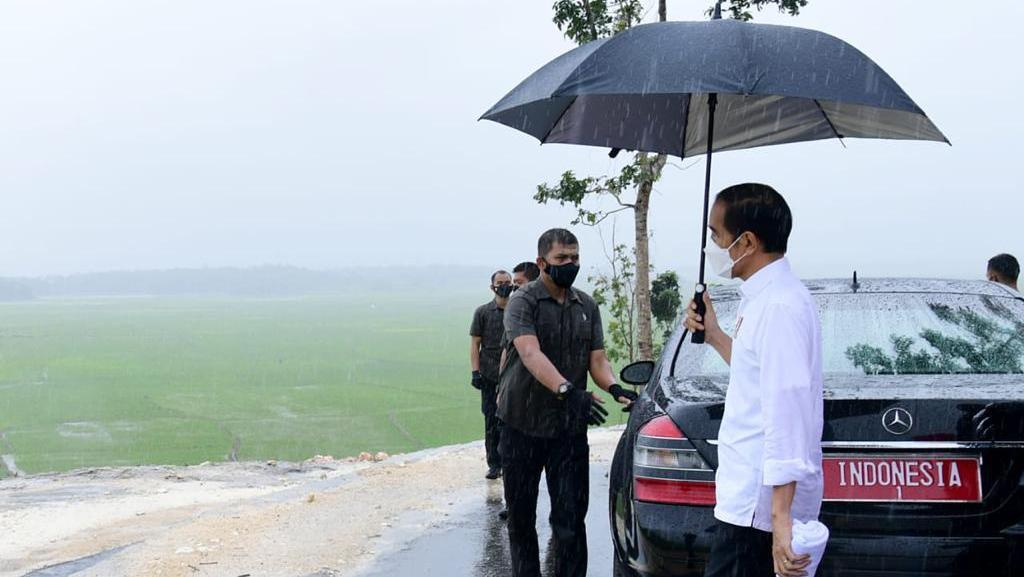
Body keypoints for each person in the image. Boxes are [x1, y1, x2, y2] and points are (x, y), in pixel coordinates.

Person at [683, 183, 824, 577]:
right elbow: (759, 375)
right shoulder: (763, 298)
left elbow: (787, 413)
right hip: (748, 503)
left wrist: (781, 519)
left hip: (757, 511)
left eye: (716, 235)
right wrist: (713, 334)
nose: (712, 245)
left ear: (746, 241)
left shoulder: (779, 307)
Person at [498, 228, 637, 577]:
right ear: (542, 262)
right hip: (521, 425)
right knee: (521, 518)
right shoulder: (522, 302)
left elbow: (598, 359)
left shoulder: (586, 305)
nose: (570, 264)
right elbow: (530, 352)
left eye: (575, 257)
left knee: (571, 521)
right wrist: (567, 391)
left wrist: (615, 387)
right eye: (562, 258)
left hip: (568, 431)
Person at [471, 270, 514, 479]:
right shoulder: (482, 313)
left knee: (513, 422)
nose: (504, 286)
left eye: (508, 282)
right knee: (491, 421)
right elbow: (475, 344)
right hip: (489, 374)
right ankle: (494, 464)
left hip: (514, 376)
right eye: (500, 283)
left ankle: (511, 462)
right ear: (492, 287)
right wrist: (475, 372)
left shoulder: (520, 310)